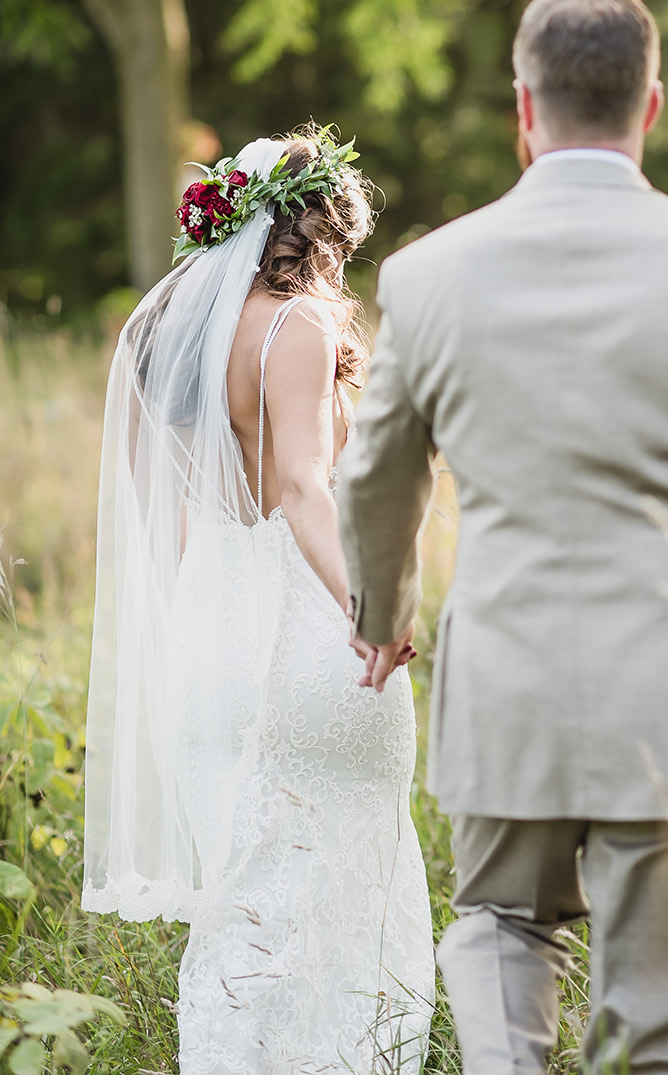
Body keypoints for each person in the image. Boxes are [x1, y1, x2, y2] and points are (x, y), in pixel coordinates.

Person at [337, 0, 668, 1075]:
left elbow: (374, 476)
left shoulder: (427, 277)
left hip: (506, 689)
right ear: (653, 106)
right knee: (650, 1030)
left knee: (498, 926)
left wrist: (382, 617)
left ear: (523, 109)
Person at [82, 128, 434, 1075]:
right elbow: (307, 486)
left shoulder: (178, 338)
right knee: (353, 882)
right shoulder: (301, 326)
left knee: (245, 912)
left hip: (207, 649)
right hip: (312, 644)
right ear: (320, 232)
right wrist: (368, 604)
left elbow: (182, 513)